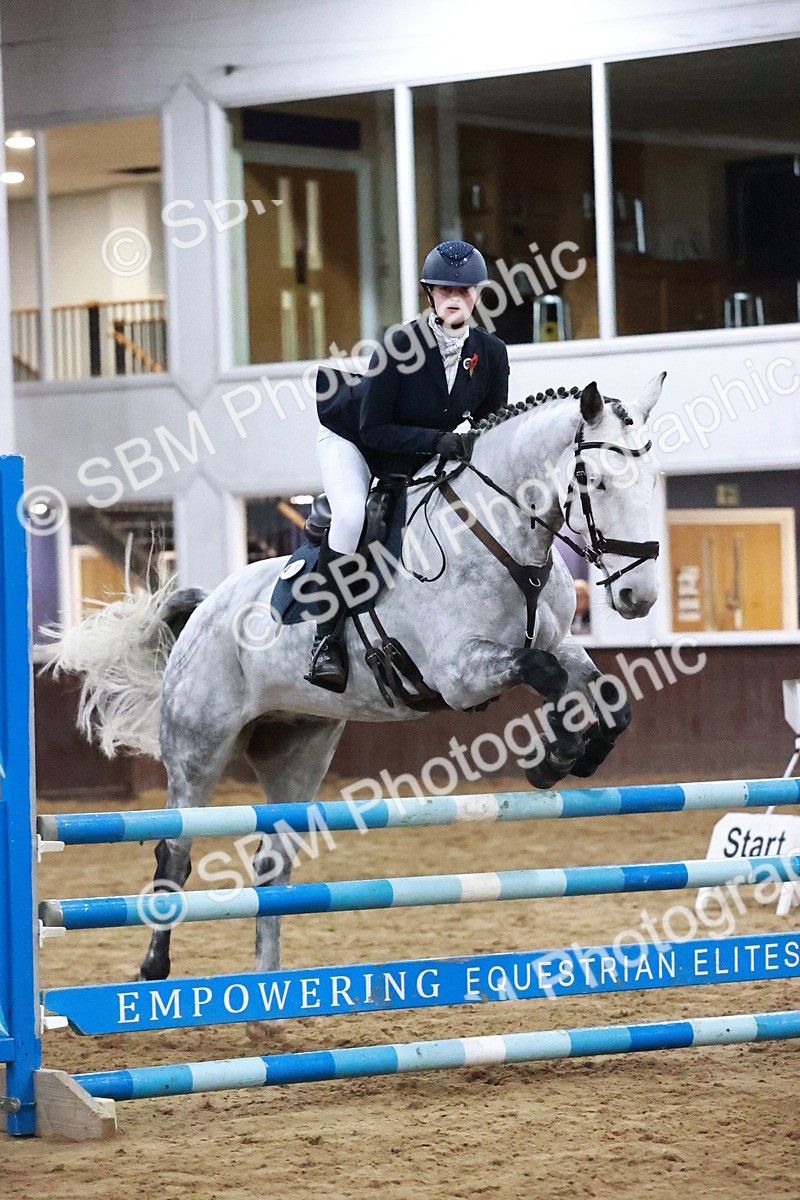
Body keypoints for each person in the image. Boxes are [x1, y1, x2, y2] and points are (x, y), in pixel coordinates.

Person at [305, 240, 510, 693]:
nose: (455, 298)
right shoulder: (400, 343)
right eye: (443, 289)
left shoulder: (491, 353)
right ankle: (326, 641)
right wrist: (440, 441)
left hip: (413, 449)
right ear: (429, 294)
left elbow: (491, 427)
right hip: (354, 438)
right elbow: (373, 428)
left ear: (478, 294)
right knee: (352, 516)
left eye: (465, 290)